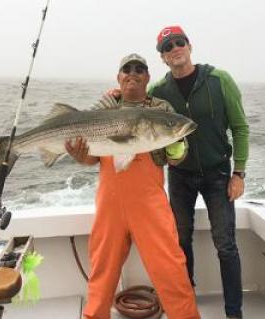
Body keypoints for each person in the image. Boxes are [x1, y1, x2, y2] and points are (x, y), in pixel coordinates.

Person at [65, 53, 200, 319]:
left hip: (149, 201)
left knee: (170, 267)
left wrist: (176, 149)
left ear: (147, 78)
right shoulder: (104, 109)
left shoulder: (161, 109)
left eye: (140, 69)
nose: (133, 73)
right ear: (119, 77)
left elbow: (177, 157)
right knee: (102, 268)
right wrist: (81, 156)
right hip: (109, 202)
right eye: (127, 69)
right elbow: (92, 158)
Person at [147, 26, 250, 319]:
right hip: (180, 176)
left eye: (179, 42)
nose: (174, 48)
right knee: (179, 241)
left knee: (226, 245)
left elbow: (240, 128)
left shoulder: (219, 80)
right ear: (163, 58)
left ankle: (234, 313)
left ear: (190, 46)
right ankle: (184, 305)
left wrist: (239, 173)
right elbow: (134, 108)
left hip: (219, 173)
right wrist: (116, 92)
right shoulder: (158, 92)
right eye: (167, 47)